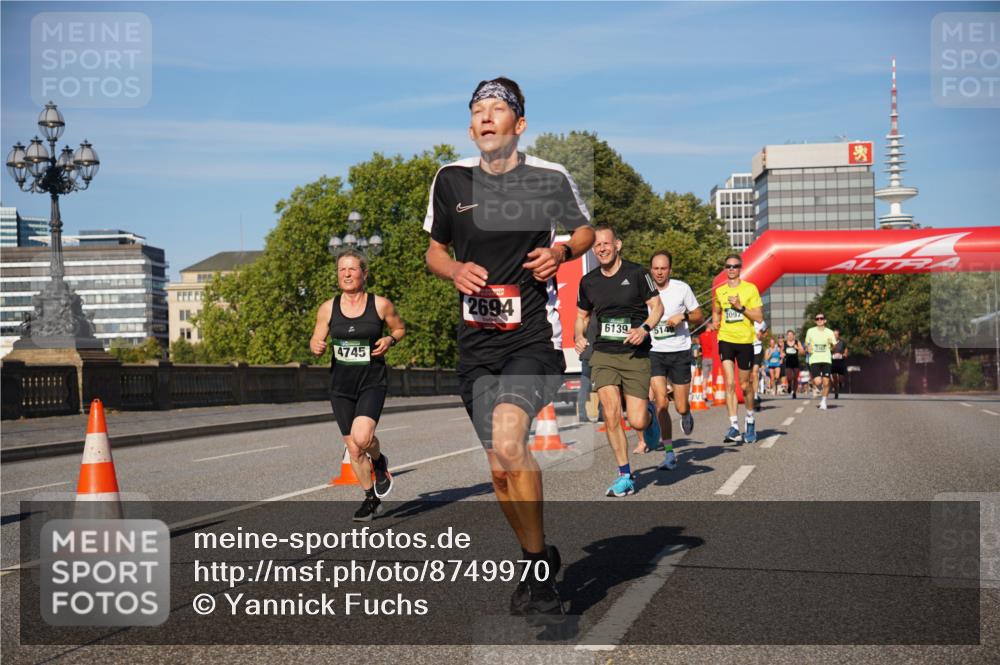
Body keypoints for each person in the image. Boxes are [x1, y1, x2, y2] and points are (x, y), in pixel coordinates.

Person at [424, 76, 594, 621]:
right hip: (476, 345)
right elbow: (434, 250)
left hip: (530, 339)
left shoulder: (548, 177)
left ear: (518, 124)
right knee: (499, 467)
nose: (486, 116)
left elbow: (586, 232)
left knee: (508, 438)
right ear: (470, 127)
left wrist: (561, 252)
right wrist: (453, 269)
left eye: (497, 109)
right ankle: (535, 557)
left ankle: (540, 579)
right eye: (478, 110)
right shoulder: (450, 179)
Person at [310, 250, 406, 522]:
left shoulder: (380, 305)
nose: (347, 274)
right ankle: (371, 500)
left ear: (364, 273)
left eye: (352, 269)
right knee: (353, 448)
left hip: (371, 382)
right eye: (342, 269)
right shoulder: (328, 308)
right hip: (341, 386)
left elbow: (399, 329)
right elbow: (316, 338)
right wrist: (316, 345)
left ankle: (379, 461)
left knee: (363, 438)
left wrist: (390, 340)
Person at [575, 225, 662, 497]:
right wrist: (578, 336)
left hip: (635, 354)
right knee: (611, 414)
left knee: (636, 420)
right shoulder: (588, 281)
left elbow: (657, 307)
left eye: (606, 243)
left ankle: (648, 416)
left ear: (617, 245)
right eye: (597, 245)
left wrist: (644, 329)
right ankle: (625, 475)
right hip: (603, 354)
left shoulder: (637, 273)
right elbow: (581, 316)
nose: (601, 249)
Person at [643, 249, 703, 470]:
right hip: (654, 351)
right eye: (656, 268)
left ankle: (686, 414)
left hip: (679, 352)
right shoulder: (643, 290)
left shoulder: (681, 288)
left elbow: (699, 315)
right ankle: (669, 453)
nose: (659, 272)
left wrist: (683, 316)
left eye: (663, 268)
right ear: (651, 270)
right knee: (660, 403)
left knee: (680, 405)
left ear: (670, 269)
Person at [707, 253, 764, 444]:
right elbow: (716, 312)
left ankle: (750, 419)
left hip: (745, 341)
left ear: (741, 268)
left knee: (745, 385)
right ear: (725, 269)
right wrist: (715, 323)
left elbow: (759, 317)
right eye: (728, 266)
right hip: (726, 339)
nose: (731, 269)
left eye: (735, 266)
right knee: (729, 384)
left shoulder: (750, 289)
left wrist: (740, 307)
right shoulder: (720, 291)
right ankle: (734, 426)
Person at [805, 313, 837, 410]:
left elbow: (834, 346)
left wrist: (832, 345)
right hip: (814, 359)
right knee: (818, 381)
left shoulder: (830, 332)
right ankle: (821, 390)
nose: (819, 320)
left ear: (825, 320)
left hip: (826, 359)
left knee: (826, 382)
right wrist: (808, 348)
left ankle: (823, 401)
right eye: (817, 319)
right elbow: (806, 343)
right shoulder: (810, 331)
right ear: (815, 321)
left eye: (821, 318)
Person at [781, 330, 805, 399]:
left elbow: (803, 352)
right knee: (789, 377)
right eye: (788, 335)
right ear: (787, 336)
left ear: (794, 336)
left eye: (791, 335)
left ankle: (794, 392)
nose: (790, 336)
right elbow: (781, 351)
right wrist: (782, 354)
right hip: (788, 362)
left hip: (796, 362)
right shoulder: (784, 343)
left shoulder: (797, 342)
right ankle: (789, 385)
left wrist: (797, 348)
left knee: (795, 378)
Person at [751, 320, 767, 401]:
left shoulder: (760, 322)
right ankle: (750, 393)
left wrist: (761, 336)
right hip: (746, 349)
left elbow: (765, 333)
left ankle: (755, 395)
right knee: (747, 375)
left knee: (755, 372)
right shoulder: (744, 319)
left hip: (757, 348)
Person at [831, 329, 848, 398]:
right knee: (834, 377)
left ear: (838, 335)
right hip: (833, 361)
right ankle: (836, 392)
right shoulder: (830, 343)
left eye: (836, 334)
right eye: (834, 335)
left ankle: (840, 383)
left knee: (840, 377)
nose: (835, 336)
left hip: (841, 361)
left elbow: (846, 350)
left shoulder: (843, 342)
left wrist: (844, 354)